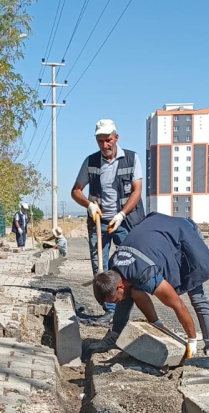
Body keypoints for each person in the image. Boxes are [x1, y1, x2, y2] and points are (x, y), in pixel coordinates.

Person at [92, 212, 209, 358]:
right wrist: (156, 324)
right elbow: (137, 294)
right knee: (128, 295)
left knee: (197, 295)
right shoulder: (114, 268)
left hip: (183, 233)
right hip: (159, 234)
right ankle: (116, 333)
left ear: (120, 286)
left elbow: (178, 305)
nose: (116, 303)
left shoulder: (145, 273)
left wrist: (192, 340)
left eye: (114, 300)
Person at [72, 119, 146, 317]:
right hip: (100, 223)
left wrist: (122, 215)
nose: (105, 145)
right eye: (100, 141)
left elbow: (137, 191)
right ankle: (110, 310)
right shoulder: (91, 162)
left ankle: (124, 309)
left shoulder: (131, 159)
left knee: (128, 265)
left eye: (108, 140)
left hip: (125, 222)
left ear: (116, 138)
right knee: (100, 269)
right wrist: (89, 206)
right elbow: (76, 191)